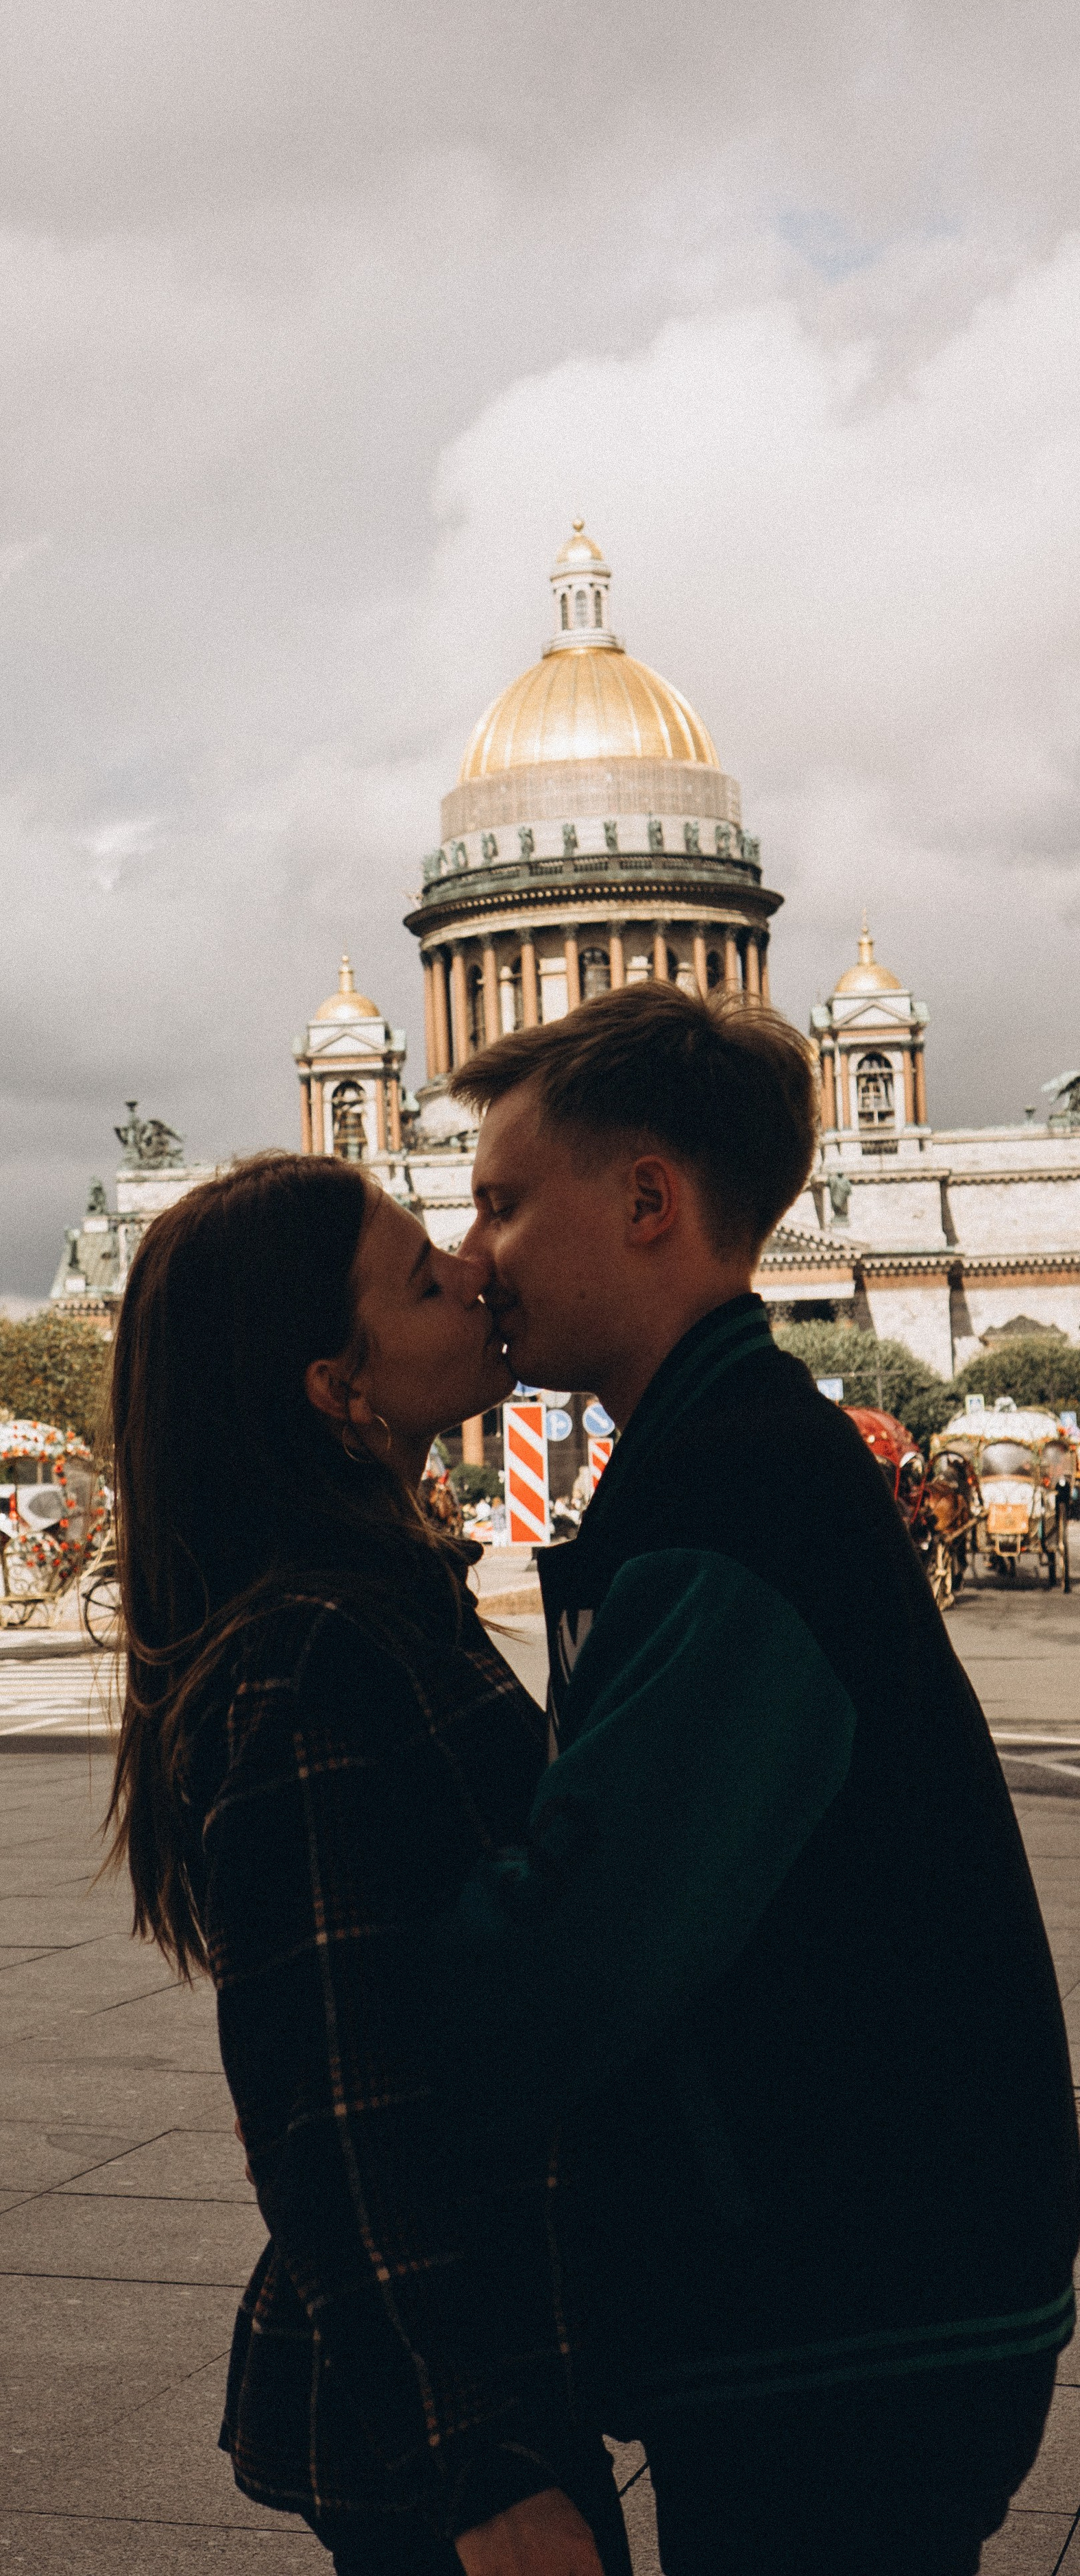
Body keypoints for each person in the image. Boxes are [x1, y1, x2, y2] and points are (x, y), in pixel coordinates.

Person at [439, 980, 1079, 2576]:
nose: (472, 1260)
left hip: (842, 2300)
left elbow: (582, 1950)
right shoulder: (735, 1454)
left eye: (504, 1205)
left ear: (649, 1197)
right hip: (870, 2268)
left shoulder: (731, 1499)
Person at [103, 1153, 633, 2575]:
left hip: (467, 2371)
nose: (474, 1268)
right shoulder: (320, 1651)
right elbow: (332, 2104)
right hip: (452, 2420)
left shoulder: (366, 1601)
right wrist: (483, 2465)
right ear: (338, 1393)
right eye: (420, 1278)